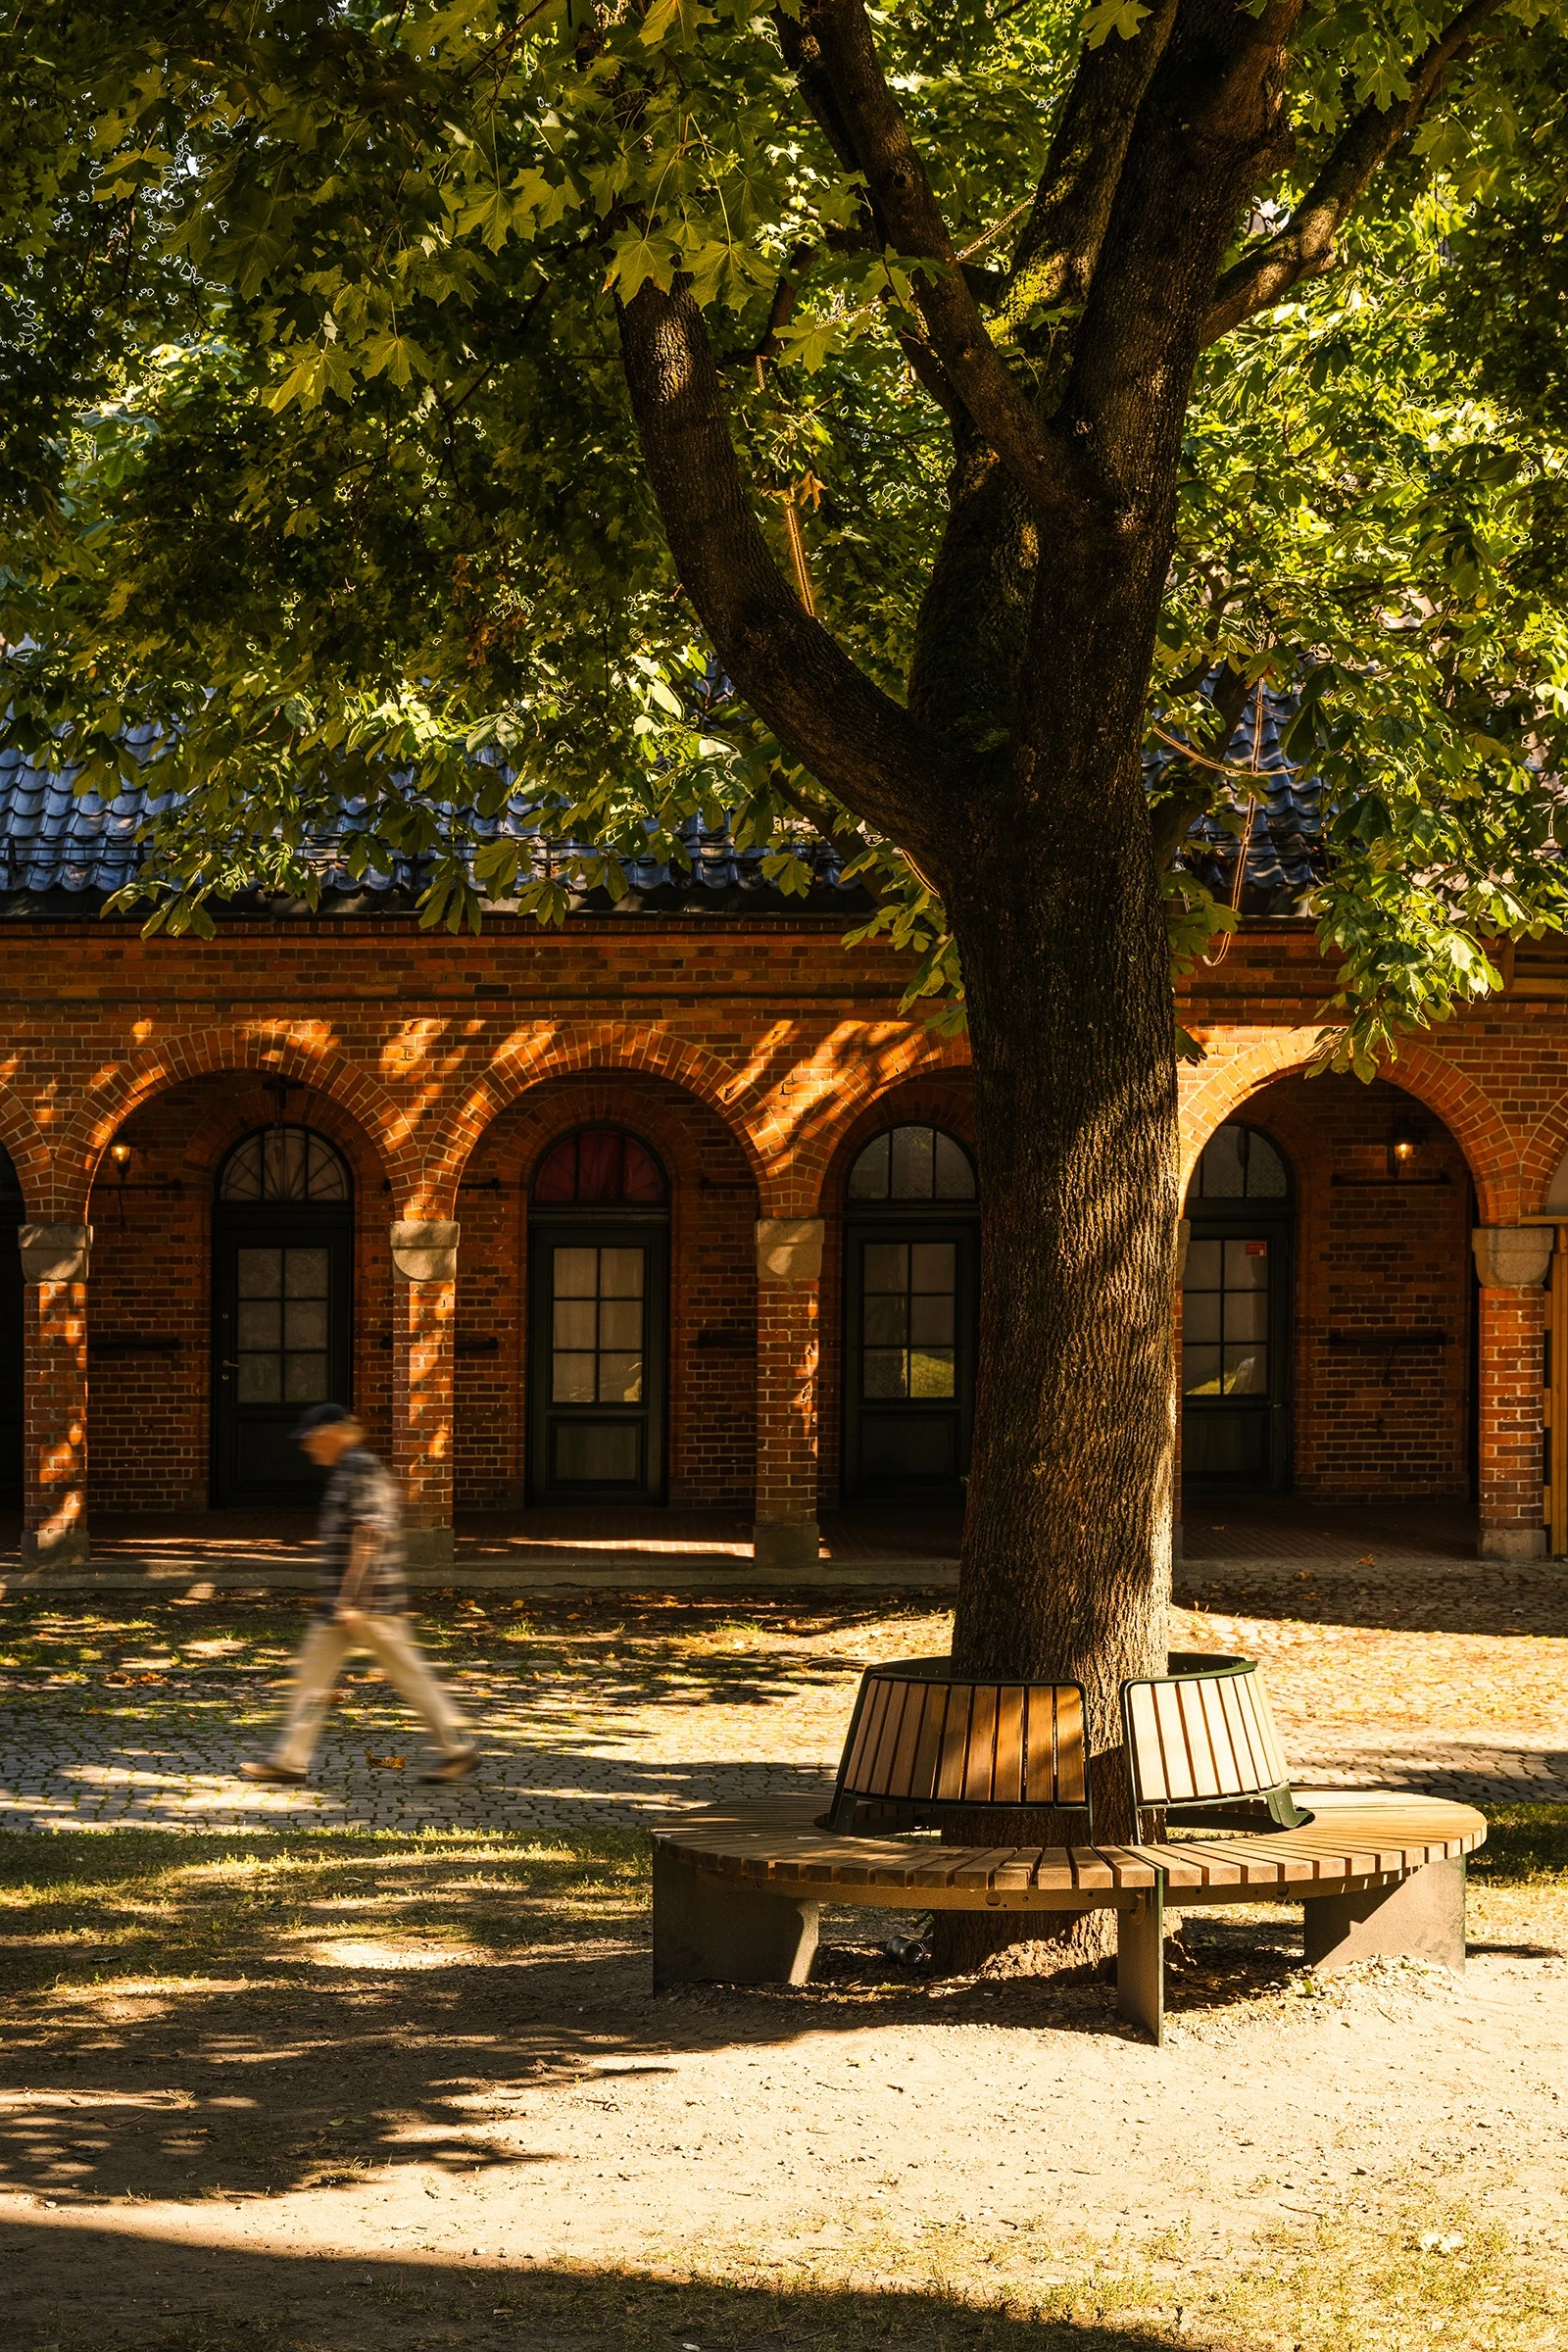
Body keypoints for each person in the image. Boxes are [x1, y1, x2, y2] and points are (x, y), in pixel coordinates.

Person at [241, 1402, 478, 1788]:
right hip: (343, 1605)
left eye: (310, 1438)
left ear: (331, 1433)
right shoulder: (346, 1470)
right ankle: (290, 1761)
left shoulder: (360, 1468)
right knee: (312, 1679)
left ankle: (457, 1748)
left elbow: (369, 1537)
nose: (306, 1447)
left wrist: (351, 1598)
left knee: (409, 1676)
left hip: (369, 1604)